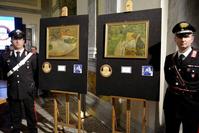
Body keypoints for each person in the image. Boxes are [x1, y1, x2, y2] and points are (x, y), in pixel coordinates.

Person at [164, 21, 199, 133]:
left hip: (192, 104)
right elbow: (169, 80)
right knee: (170, 130)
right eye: (179, 36)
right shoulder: (169, 58)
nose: (183, 40)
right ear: (175, 39)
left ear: (192, 38)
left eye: (186, 36)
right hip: (172, 103)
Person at [1, 29, 38, 133]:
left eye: (20, 39)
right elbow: (4, 74)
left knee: (30, 113)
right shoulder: (5, 57)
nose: (17, 41)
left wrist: (34, 88)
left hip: (27, 90)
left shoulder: (32, 57)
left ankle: (32, 130)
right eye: (15, 39)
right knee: (15, 114)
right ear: (11, 41)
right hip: (13, 90)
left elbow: (35, 73)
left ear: (24, 41)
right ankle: (16, 130)